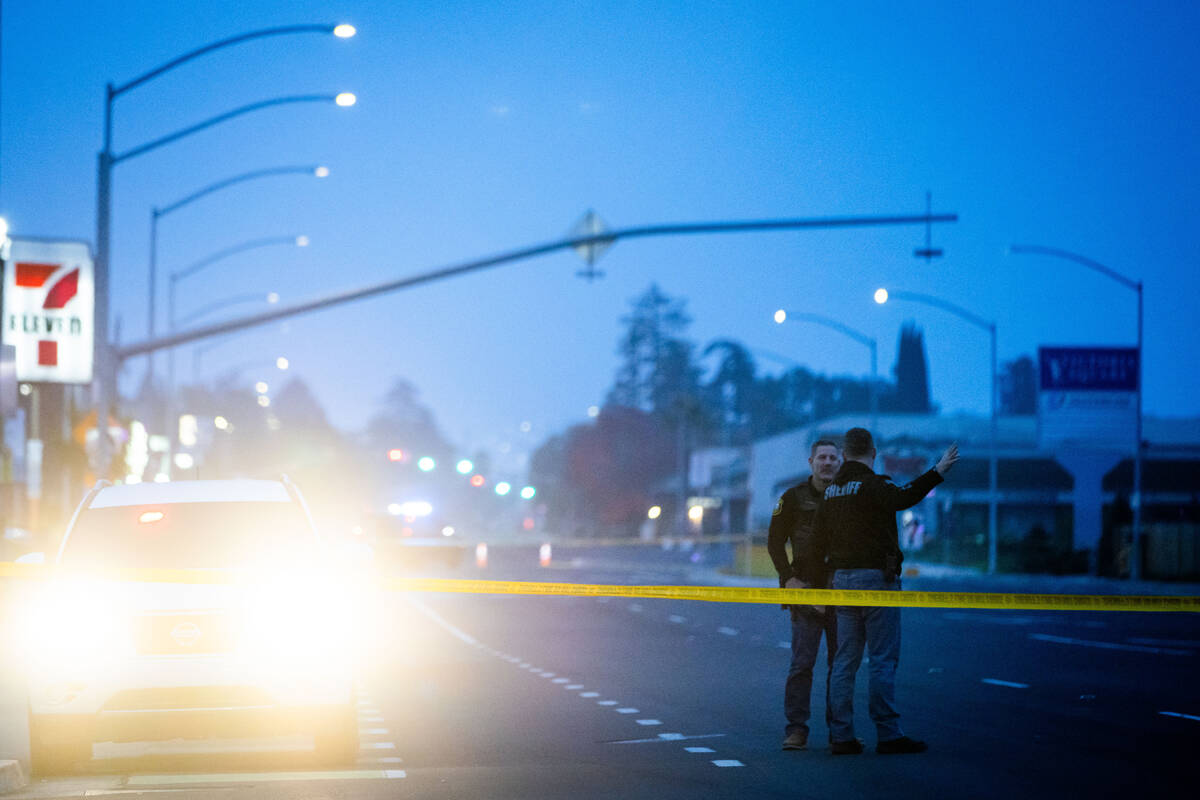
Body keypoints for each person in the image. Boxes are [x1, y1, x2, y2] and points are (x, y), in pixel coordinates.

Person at [809, 427, 958, 755]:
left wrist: (818, 587)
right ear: (873, 453)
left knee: (844, 659)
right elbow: (904, 497)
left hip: (841, 582)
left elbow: (816, 542)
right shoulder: (874, 484)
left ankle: (841, 735)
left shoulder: (831, 492)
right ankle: (888, 734)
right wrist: (937, 471)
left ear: (844, 454)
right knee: (882, 659)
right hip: (877, 580)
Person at [767, 439, 841, 751]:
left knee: (841, 667)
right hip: (806, 591)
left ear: (840, 462)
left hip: (841, 593)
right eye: (822, 457)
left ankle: (841, 732)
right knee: (802, 665)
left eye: (833, 458)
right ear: (811, 462)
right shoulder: (793, 497)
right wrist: (788, 578)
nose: (828, 463)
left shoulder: (847, 495)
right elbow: (774, 541)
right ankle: (796, 729)